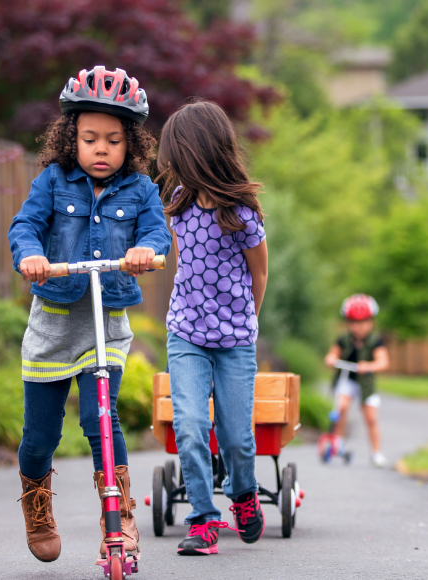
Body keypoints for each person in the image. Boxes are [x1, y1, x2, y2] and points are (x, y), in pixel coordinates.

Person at [7, 66, 171, 563]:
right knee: (41, 436)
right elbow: (25, 226)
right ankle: (37, 507)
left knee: (104, 420)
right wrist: (30, 255)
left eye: (114, 140)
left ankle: (117, 524)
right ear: (70, 137)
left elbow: (157, 234)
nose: (102, 148)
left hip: (105, 322)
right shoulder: (52, 182)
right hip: (54, 322)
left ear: (131, 145)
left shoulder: (141, 190)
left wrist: (146, 248)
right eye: (90, 138)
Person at [157, 101, 269, 556]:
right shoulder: (178, 205)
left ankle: (243, 493)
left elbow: (259, 273)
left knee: (238, 437)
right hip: (186, 333)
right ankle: (203, 519)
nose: (168, 163)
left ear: (199, 152)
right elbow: (187, 263)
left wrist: (248, 321)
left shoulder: (242, 215)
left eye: (175, 153)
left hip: (235, 339)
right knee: (188, 424)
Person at [324, 294, 391, 467]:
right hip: (346, 380)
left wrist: (368, 366)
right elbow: (332, 354)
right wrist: (331, 359)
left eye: (363, 322)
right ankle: (338, 443)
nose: (358, 327)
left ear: (371, 322)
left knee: (371, 418)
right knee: (341, 408)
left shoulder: (375, 341)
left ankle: (376, 452)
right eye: (353, 322)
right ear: (348, 323)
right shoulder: (344, 339)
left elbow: (383, 362)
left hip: (365, 383)